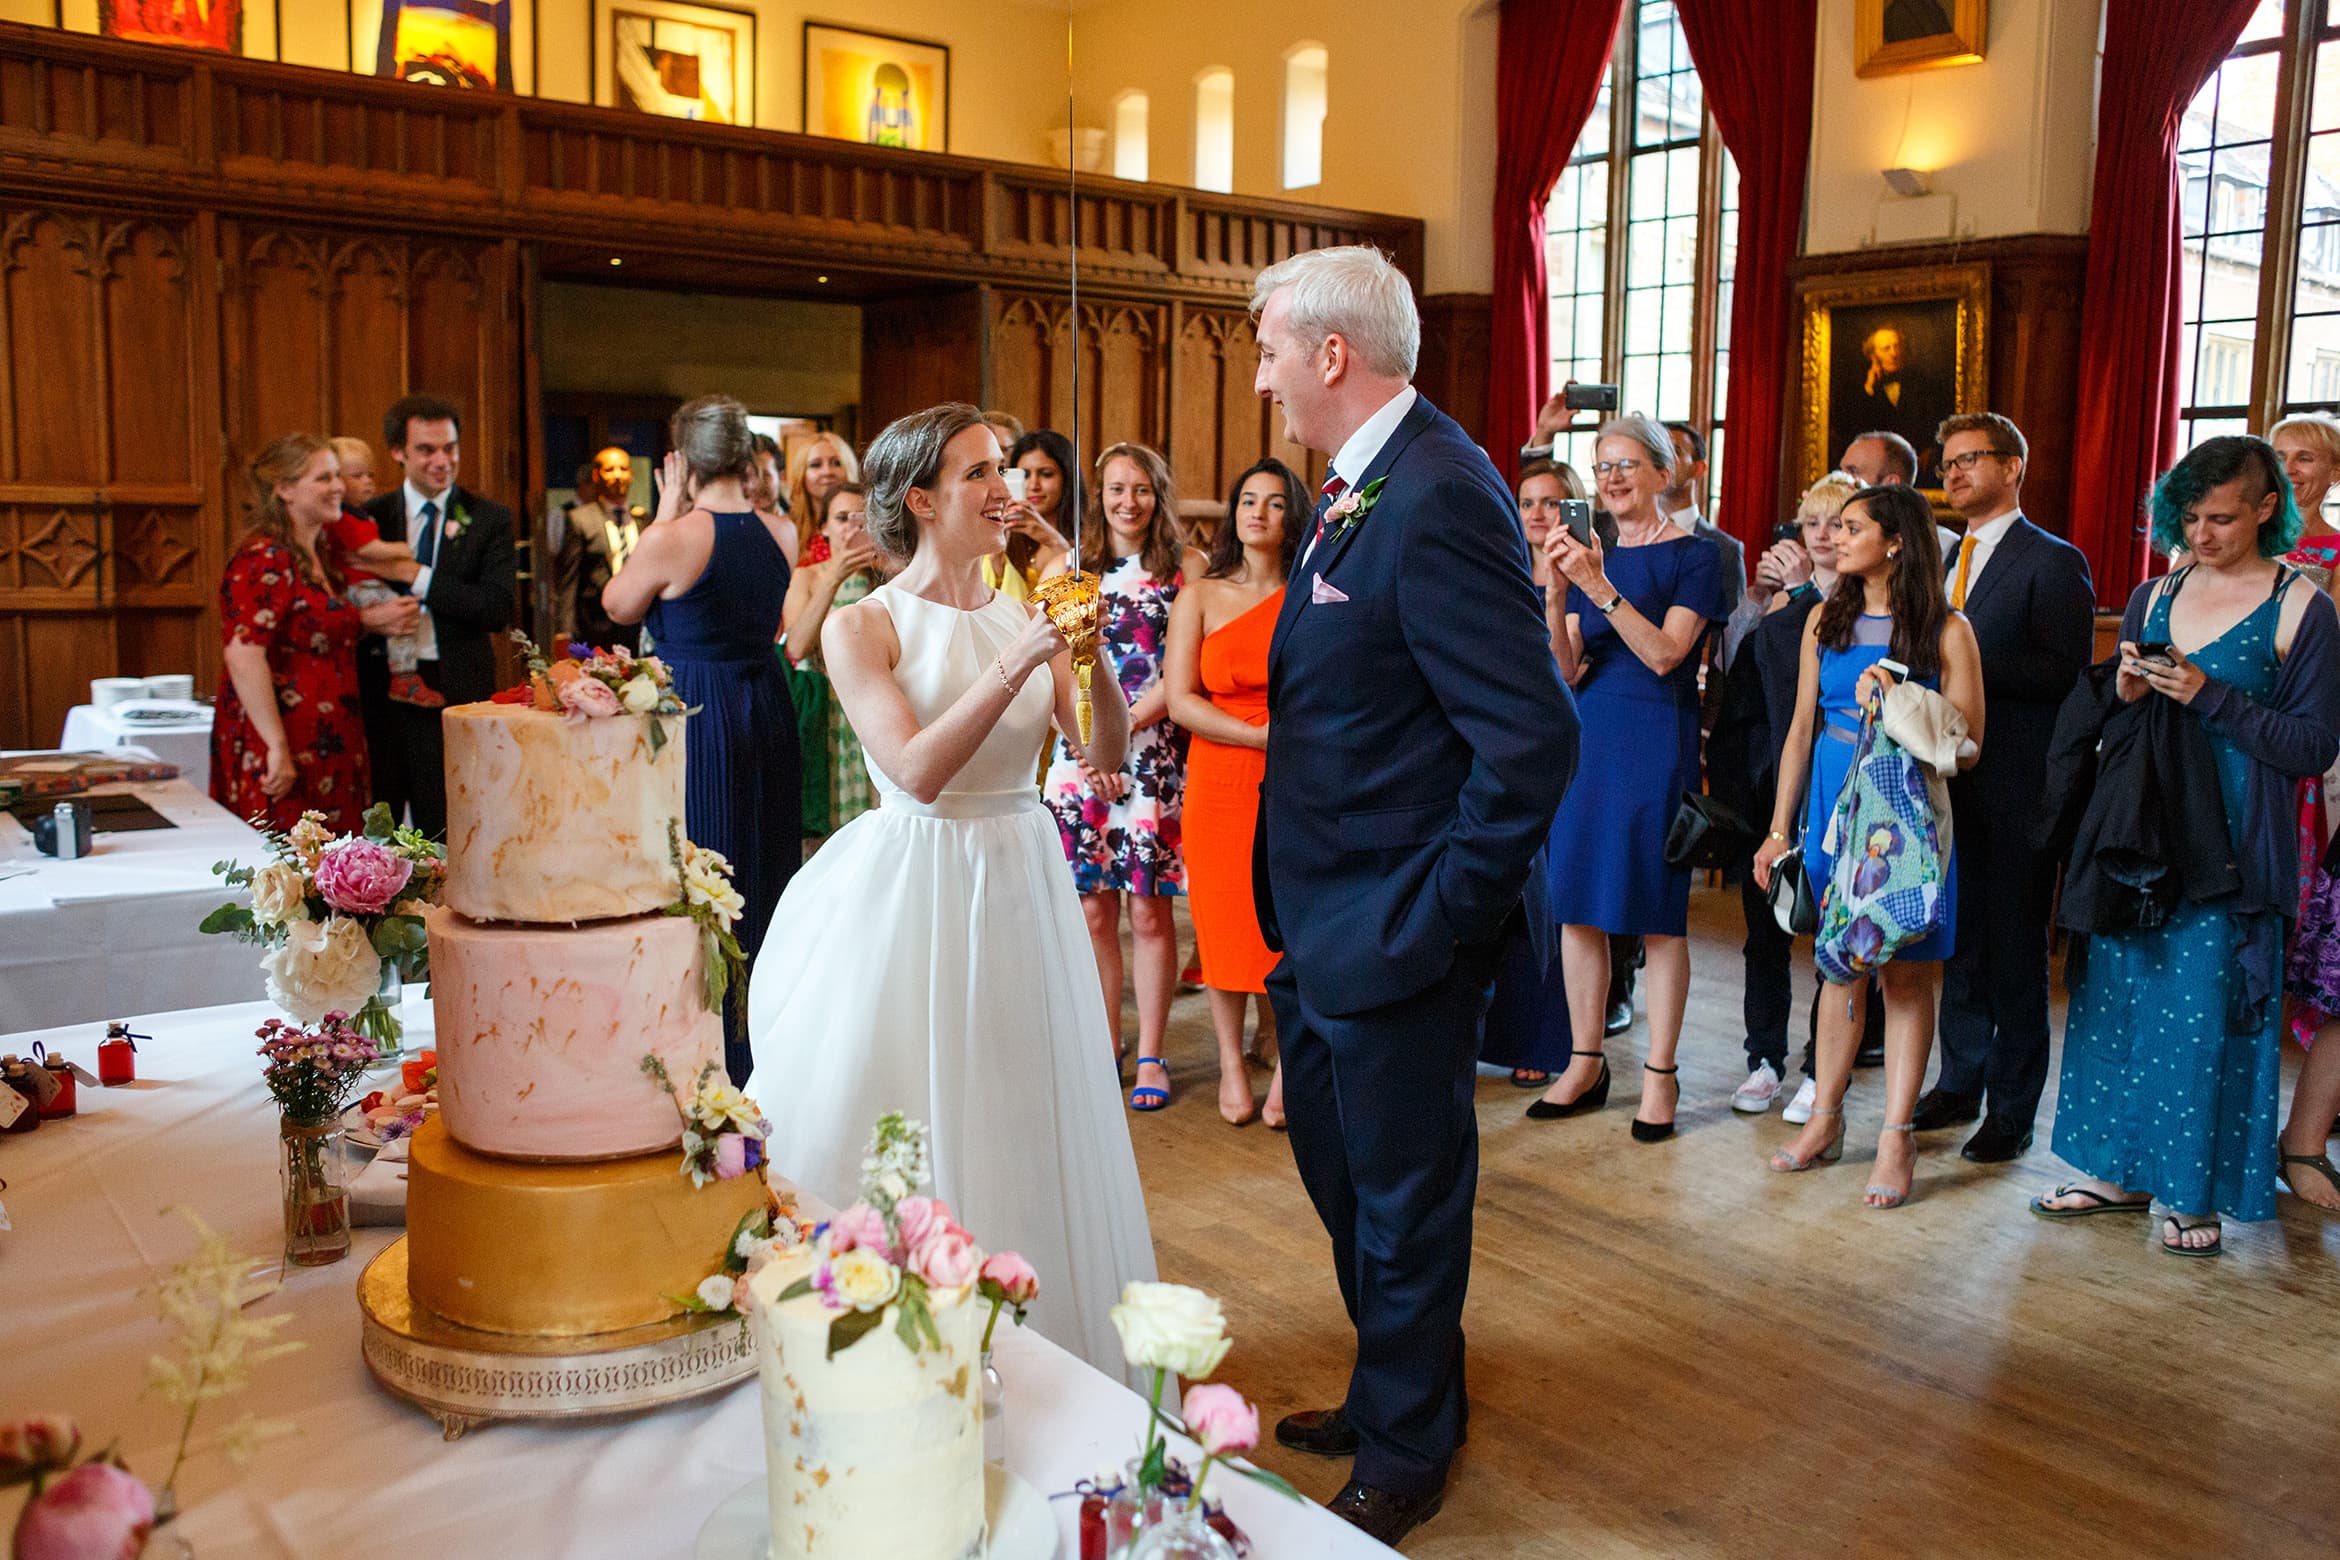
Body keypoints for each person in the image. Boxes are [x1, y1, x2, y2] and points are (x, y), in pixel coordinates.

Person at [1249, 245, 1578, 1545]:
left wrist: (1444, 913)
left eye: (1275, 349)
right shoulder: (1358, 484)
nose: (1267, 376)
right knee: (1349, 1183)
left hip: (1395, 931)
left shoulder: (1439, 491)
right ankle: (1399, 1383)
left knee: (1404, 1200)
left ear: (1333, 354)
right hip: (1322, 922)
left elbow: (1531, 739)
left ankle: (1408, 1444)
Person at [742, 402, 1156, 1380]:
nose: (1004, 487)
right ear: (921, 498)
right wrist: (1022, 650)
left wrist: (1086, 647)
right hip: (921, 882)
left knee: (1021, 1102)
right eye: (978, 472)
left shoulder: (1026, 609)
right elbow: (917, 770)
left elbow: (1102, 758)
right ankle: (892, 1348)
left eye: (1003, 465)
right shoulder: (861, 627)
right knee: (917, 1101)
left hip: (1022, 876)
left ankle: (1036, 1343)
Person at [2033, 436, 2340, 1253]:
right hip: (2145, 830)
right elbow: (2125, 719)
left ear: (2269, 508)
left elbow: (2312, 746)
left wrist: (2212, 697)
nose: (2201, 535)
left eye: (2222, 519)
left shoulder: (2303, 606)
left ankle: (2191, 1188)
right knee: (2121, 994)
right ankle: (2113, 1169)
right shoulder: (2153, 593)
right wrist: (2129, 690)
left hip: (2235, 842)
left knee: (2204, 1008)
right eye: (2190, 518)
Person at [1753, 484, 1983, 1207]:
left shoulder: (1949, 628)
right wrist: (1778, 828)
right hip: (1830, 796)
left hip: (1904, 812)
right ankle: (1824, 1118)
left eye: (1851, 527)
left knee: (1907, 975)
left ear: (1894, 543)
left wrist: (1903, 699)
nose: (1833, 536)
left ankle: (1896, 1135)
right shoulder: (1825, 616)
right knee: (1837, 968)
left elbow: (1970, 744)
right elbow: (1798, 730)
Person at [1530, 413, 1724, 1141]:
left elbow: (1668, 654)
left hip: (1653, 740)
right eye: (1602, 467)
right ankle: (1584, 1061)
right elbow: (1567, 669)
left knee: (1654, 913)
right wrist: (1557, 595)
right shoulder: (1590, 556)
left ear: (1661, 473)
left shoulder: (1696, 558)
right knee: (1578, 906)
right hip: (1590, 737)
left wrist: (1601, 588)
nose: (1611, 478)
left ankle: (1661, 1077)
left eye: (1626, 466)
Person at [603, 396, 802, 1085]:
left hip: (699, 707)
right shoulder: (782, 531)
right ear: (746, 456)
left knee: (700, 867)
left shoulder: (672, 537)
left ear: (681, 460)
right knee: (764, 868)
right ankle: (762, 1044)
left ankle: (705, 1047)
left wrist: (663, 512)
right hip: (766, 700)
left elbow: (618, 604)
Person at [1917, 412, 2095, 1162]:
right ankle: (1958, 1081)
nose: (1953, 474)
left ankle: (2012, 1108)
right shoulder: (1941, 556)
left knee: (2016, 952)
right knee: (1958, 944)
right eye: (1947, 462)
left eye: (1970, 460)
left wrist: (1963, 658)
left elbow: (2064, 673)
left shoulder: (2052, 560)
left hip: (2017, 785)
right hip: (1942, 781)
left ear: (2013, 466)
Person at [1040, 441, 1198, 1110]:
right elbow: (1050, 666)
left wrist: (1120, 734)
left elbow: (1178, 672)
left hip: (1152, 752)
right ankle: (1106, 1042)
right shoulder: (1068, 567)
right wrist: (1085, 748)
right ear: (1097, 497)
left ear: (1158, 494)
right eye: (1115, 489)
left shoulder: (1184, 570)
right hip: (1079, 757)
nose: (1127, 501)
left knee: (1150, 913)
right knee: (1092, 910)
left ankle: (1155, 1053)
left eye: (1140, 488)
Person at [1715, 472, 1873, 1115]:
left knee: (1838, 937)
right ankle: (1763, 1058)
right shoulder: (1783, 612)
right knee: (1766, 930)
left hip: (1843, 783)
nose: (1827, 536)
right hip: (1773, 783)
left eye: (1841, 524)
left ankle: (1820, 1068)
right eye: (1814, 524)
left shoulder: (1866, 607)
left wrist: (1803, 596)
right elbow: (1747, 695)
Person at [1164, 457, 1303, 1127]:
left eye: (1275, 503)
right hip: (1220, 777)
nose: (1258, 512)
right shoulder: (1200, 594)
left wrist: (1285, 741)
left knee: (1283, 920)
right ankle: (1227, 1062)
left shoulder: (1311, 592)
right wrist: (1255, 739)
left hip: (1295, 776)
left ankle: (1282, 1055)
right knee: (1221, 924)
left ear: (1292, 518)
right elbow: (1182, 699)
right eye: (1249, 499)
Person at [212, 435, 414, 832]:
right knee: (288, 871)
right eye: (324, 478)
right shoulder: (265, 556)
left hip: (330, 741)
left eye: (339, 476)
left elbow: (313, 628)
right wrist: (277, 746)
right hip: (286, 742)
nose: (339, 487)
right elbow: (243, 653)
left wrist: (369, 618)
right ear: (284, 489)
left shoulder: (319, 556)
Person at [359, 394, 517, 840]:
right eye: (427, 450)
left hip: (455, 688)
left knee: (449, 829)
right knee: (376, 830)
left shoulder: (487, 519)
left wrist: (417, 577)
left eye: (450, 448)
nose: (442, 461)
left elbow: (496, 608)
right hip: (379, 691)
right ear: (398, 452)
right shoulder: (370, 518)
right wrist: (375, 617)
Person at [1482, 457, 1589, 1088]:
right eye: (1527, 502)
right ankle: (1495, 1031)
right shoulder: (1499, 563)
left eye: (1552, 502)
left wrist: (1556, 592)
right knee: (1496, 892)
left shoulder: (1582, 574)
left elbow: (1564, 670)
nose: (1538, 514)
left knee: (1544, 897)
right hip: (1494, 736)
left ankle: (1545, 1040)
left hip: (1555, 742)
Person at [782, 481, 890, 841]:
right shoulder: (807, 576)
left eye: (861, 518)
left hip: (879, 706)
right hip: (827, 710)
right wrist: (834, 575)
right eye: (841, 518)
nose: (851, 527)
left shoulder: (891, 578)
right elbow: (796, 647)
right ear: (824, 527)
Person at [323, 435, 431, 706]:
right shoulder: (343, 518)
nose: (368, 482)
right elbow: (368, 549)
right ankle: (404, 675)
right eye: (357, 476)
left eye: (370, 475)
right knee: (402, 611)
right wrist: (403, 549)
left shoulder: (361, 513)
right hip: (357, 586)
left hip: (367, 582)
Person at [554, 445, 646, 653]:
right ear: (596, 476)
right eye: (609, 469)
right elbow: (569, 579)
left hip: (638, 625)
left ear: (631, 474)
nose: (617, 475)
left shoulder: (643, 520)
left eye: (623, 469)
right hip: (595, 625)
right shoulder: (580, 519)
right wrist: (563, 631)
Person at [990, 428, 1078, 600]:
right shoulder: (1006, 535)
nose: (1033, 485)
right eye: (1025, 475)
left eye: (1046, 474)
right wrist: (996, 561)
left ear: (1067, 477)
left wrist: (1054, 542)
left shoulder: (1088, 539)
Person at [783, 430, 858, 552]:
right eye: (816, 465)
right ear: (801, 475)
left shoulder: (870, 525)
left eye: (836, 463)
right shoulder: (786, 528)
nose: (827, 472)